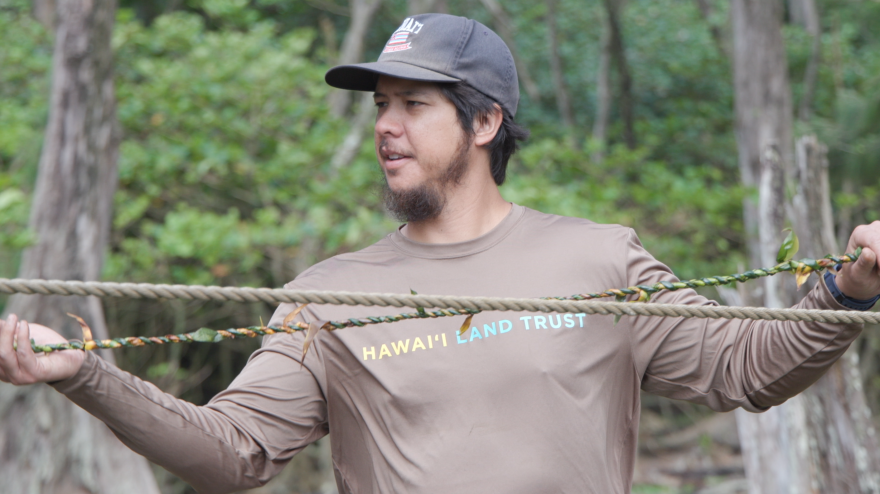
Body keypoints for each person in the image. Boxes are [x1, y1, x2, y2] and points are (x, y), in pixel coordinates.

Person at [2, 13, 879, 494]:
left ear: (485, 122)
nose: (385, 125)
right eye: (380, 104)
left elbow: (747, 369)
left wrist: (844, 289)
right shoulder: (330, 293)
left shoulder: (601, 261)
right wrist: (84, 373)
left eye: (414, 103)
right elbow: (233, 451)